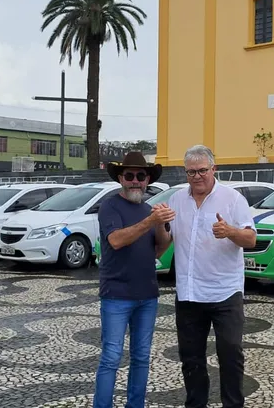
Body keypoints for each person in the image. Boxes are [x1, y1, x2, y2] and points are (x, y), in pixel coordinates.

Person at [166, 144, 257, 408]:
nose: (197, 176)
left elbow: (251, 238)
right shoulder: (176, 200)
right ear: (185, 173)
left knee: (230, 355)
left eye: (202, 170)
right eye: (191, 172)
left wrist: (230, 231)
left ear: (213, 169)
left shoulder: (232, 199)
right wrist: (157, 225)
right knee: (190, 359)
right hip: (189, 293)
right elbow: (165, 239)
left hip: (225, 293)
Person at [93, 151, 175, 408]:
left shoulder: (149, 210)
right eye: (130, 176)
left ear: (148, 180)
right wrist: (150, 221)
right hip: (116, 295)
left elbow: (159, 249)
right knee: (111, 357)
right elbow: (116, 240)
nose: (136, 181)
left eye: (141, 176)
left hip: (147, 296)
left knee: (141, 358)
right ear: (121, 178)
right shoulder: (110, 206)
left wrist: (160, 224)